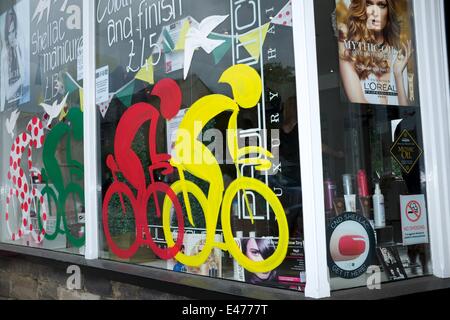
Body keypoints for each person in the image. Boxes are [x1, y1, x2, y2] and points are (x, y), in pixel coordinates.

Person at [337, 0, 413, 106]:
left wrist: (398, 75)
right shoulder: (349, 53)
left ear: (388, 11)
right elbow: (361, 107)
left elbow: (406, 113)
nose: (375, 13)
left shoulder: (398, 57)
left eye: (381, 5)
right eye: (368, 4)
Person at [1, 7, 23, 111]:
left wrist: (17, 51)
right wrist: (20, 81)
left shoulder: (17, 51)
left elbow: (25, 74)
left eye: (13, 31)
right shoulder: (5, 57)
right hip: (7, 110)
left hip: (18, 105)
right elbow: (8, 94)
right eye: (9, 32)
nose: (12, 36)